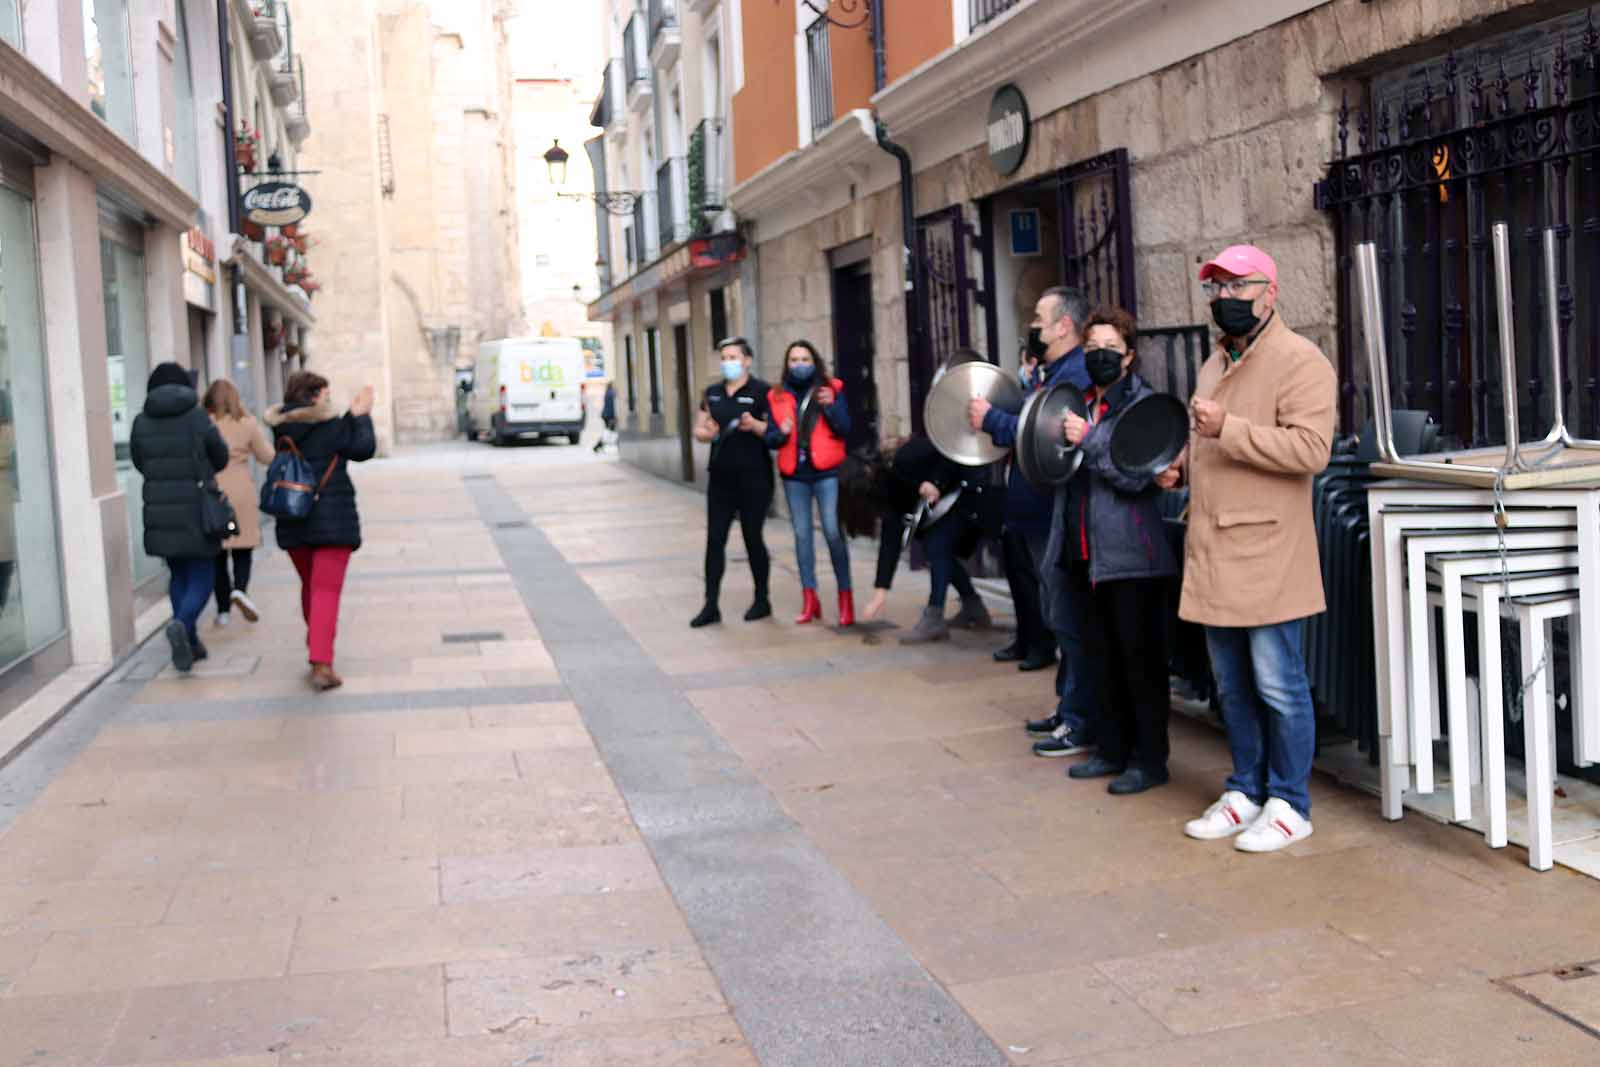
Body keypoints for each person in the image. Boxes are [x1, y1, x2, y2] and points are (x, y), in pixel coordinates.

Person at [1169, 245, 1337, 852]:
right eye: (1217, 289)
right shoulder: (1215, 362)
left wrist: (1227, 431)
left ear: (1271, 293)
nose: (1225, 299)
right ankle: (1245, 790)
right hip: (1213, 549)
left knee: (1278, 685)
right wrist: (1184, 466)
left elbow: (1310, 450)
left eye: (1239, 287)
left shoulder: (1301, 361)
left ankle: (1290, 803)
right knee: (1231, 686)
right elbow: (1209, 439)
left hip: (1268, 553)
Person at [1050, 306, 1179, 795]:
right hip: (1084, 554)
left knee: (1140, 665)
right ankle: (1111, 750)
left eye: (1109, 349)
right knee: (1099, 658)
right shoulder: (1079, 401)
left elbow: (1135, 473)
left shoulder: (1141, 406)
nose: (1099, 357)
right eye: (1091, 349)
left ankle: (1150, 761)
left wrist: (1090, 440)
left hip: (1133, 559)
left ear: (1128, 357)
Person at [971, 287, 1100, 757]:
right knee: (1059, 618)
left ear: (1065, 325)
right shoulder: (1052, 372)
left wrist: (992, 420)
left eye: (1040, 317)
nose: (1034, 324)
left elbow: (1039, 435)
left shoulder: (1076, 373)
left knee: (1068, 620)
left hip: (1055, 514)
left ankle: (1080, 719)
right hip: (1038, 511)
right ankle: (1070, 708)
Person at [264, 372, 378, 691]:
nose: (329, 400)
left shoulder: (281, 427)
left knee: (311, 586)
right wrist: (360, 416)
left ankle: (317, 647)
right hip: (332, 520)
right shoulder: (333, 427)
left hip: (293, 515)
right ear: (314, 397)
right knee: (325, 590)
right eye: (325, 395)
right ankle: (322, 661)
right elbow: (364, 449)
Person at [843, 433, 990, 643]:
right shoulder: (886, 491)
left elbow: (949, 446)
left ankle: (934, 618)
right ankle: (973, 607)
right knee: (938, 551)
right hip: (944, 504)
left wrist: (935, 482)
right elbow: (890, 541)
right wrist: (880, 594)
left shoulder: (908, 457)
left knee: (937, 546)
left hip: (969, 491)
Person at [130, 362, 228, 673]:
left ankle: (190, 642)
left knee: (179, 576)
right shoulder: (197, 418)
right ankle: (183, 625)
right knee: (203, 575)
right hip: (196, 511)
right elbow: (221, 457)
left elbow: (139, 461)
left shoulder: (141, 422)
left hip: (160, 512)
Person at [767, 340, 853, 626]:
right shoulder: (777, 396)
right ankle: (809, 598)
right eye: (794, 360)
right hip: (795, 475)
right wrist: (780, 433)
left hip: (826, 471)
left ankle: (845, 598)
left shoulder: (832, 389)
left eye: (805, 359)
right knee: (802, 535)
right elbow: (770, 438)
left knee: (831, 530)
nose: (800, 364)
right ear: (787, 364)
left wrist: (830, 407)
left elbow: (845, 428)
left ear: (814, 361)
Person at [689, 337, 774, 628]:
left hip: (755, 478)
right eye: (724, 357)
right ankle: (711, 605)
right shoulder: (711, 393)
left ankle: (762, 599)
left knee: (753, 538)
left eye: (733, 357)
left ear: (747, 360)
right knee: (715, 541)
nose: (728, 362)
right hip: (721, 479)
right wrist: (706, 433)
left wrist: (756, 426)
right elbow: (699, 430)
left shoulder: (763, 392)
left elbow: (775, 433)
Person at [203, 379, 273, 627]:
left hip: (213, 494)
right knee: (243, 548)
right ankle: (240, 590)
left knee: (218, 554)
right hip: (241, 491)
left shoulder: (204, 424)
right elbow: (267, 457)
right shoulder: (248, 423)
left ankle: (223, 610)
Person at [594, 380, 617, 454]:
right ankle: (599, 445)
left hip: (606, 415)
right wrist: (613, 417)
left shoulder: (608, 392)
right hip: (609, 416)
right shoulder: (611, 393)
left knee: (609, 431)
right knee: (608, 431)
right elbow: (611, 407)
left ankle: (600, 445)